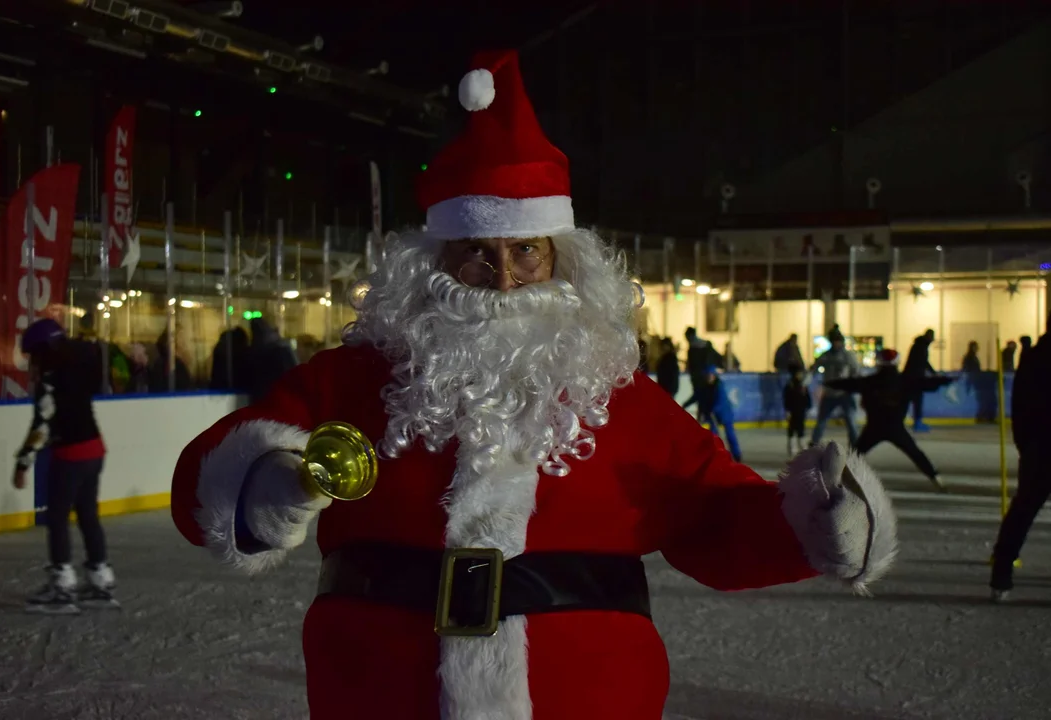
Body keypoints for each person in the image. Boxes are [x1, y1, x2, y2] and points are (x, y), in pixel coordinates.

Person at [170, 50, 896, 720]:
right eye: (477, 255)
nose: (504, 278)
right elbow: (208, 476)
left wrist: (807, 528)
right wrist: (264, 482)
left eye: (525, 252)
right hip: (381, 695)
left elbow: (718, 520)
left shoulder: (618, 397)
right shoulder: (350, 381)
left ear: (563, 262)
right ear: (433, 265)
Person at [13, 318, 117, 614]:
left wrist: (23, 462)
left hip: (70, 455)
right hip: (95, 449)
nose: (31, 362)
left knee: (57, 518)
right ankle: (100, 577)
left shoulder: (50, 379)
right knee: (88, 515)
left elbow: (42, 425)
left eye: (32, 354)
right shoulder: (82, 366)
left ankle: (62, 584)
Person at [826, 348, 951, 492]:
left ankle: (833, 482)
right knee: (916, 454)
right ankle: (937, 480)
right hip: (896, 428)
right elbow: (927, 384)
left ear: (879, 362)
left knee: (854, 455)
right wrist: (946, 380)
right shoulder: (905, 381)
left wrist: (830, 383)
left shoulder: (870, 382)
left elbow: (849, 384)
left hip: (874, 428)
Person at [990, 323, 1050, 601]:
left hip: (1037, 447)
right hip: (1039, 445)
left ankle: (1001, 576)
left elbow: (1020, 405)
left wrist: (1025, 444)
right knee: (1023, 511)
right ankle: (1001, 574)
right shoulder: (1036, 357)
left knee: (1022, 511)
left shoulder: (1034, 356)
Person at [809, 327, 862, 448]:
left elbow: (856, 372)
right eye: (833, 341)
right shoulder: (826, 356)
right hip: (830, 393)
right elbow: (814, 369)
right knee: (821, 421)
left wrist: (853, 386)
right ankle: (814, 443)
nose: (836, 344)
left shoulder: (848, 356)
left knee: (851, 421)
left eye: (837, 341)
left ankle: (856, 445)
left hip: (845, 394)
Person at [690, 365, 742, 462]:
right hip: (712, 414)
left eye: (710, 375)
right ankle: (715, 455)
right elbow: (697, 396)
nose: (708, 378)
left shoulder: (719, 386)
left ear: (714, 376)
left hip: (724, 413)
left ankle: (737, 455)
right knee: (713, 435)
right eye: (707, 376)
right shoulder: (704, 387)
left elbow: (720, 401)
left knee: (730, 434)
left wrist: (712, 410)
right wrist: (685, 404)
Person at [904, 329, 936, 432]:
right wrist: (933, 373)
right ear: (928, 337)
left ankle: (917, 421)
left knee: (911, 400)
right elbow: (922, 362)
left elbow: (923, 362)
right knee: (916, 400)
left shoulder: (919, 345)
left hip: (911, 377)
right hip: (915, 378)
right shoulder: (921, 346)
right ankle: (917, 422)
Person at [783, 365, 811, 457]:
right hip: (792, 410)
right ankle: (791, 445)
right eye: (798, 373)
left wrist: (808, 405)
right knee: (792, 427)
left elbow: (807, 397)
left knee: (801, 427)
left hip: (801, 410)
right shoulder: (789, 386)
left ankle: (802, 444)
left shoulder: (803, 385)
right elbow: (786, 399)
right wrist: (787, 410)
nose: (799, 375)